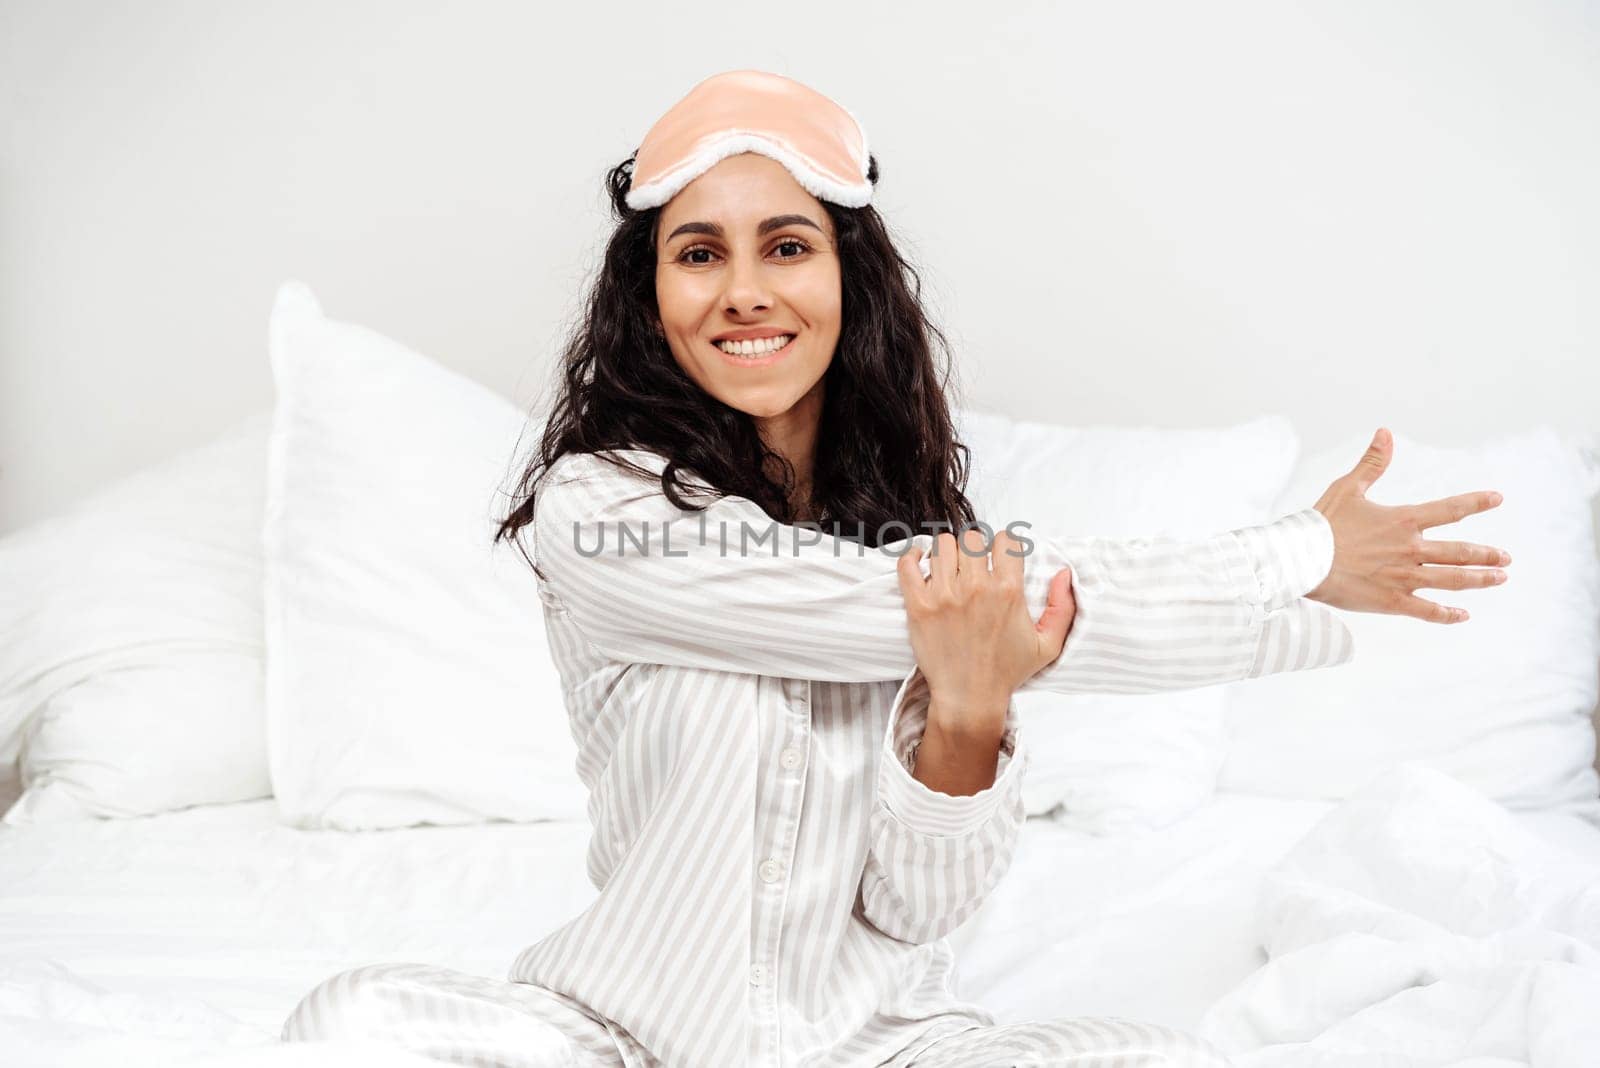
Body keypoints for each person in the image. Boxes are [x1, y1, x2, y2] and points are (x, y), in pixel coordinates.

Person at [280, 70, 1512, 1068]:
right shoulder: (601, 507)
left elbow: (921, 910)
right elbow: (883, 609)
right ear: (649, 295)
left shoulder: (926, 550)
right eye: (699, 253)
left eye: (787, 246)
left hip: (883, 1051)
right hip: (618, 1039)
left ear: (846, 280)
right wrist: (1288, 561)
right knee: (355, 1025)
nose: (745, 290)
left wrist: (971, 703)